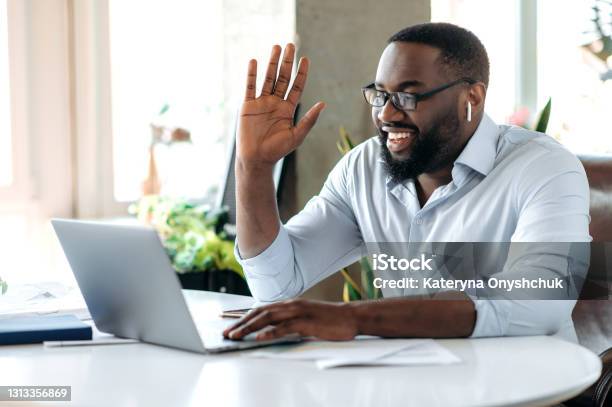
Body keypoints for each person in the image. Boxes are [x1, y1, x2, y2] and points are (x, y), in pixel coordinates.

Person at [223, 23, 590, 342]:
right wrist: (253, 167)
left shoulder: (543, 166)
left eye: (408, 96)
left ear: (471, 98)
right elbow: (276, 283)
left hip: (527, 389)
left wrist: (353, 318)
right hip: (405, 380)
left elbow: (542, 300)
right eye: (380, 94)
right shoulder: (362, 168)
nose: (386, 113)